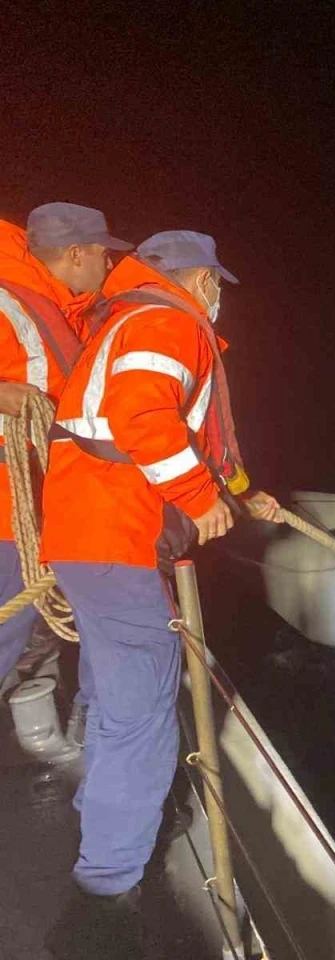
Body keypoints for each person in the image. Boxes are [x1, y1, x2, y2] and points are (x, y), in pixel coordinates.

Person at [39, 231, 283, 910]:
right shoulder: (167, 321)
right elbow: (141, 417)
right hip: (116, 539)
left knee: (113, 692)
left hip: (89, 538)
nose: (219, 296)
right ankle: (107, 886)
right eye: (216, 282)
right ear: (199, 279)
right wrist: (203, 500)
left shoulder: (126, 319)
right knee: (142, 709)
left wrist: (242, 493)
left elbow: (198, 441)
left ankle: (101, 815)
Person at [0, 203, 132, 737]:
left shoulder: (62, 306)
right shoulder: (8, 298)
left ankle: (89, 723)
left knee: (93, 612)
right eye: (102, 253)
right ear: (76, 253)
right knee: (8, 624)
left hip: (56, 499)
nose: (108, 264)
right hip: (9, 509)